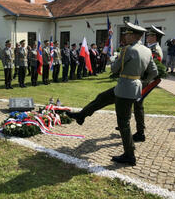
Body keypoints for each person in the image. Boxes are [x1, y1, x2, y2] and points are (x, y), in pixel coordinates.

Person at [67, 22, 158, 165]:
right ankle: (81, 115)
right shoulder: (147, 50)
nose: (125, 36)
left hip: (124, 89)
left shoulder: (127, 50)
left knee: (123, 123)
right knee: (101, 98)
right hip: (132, 87)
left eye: (127, 34)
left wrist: (113, 59)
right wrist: (141, 81)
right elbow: (154, 72)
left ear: (134, 36)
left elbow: (114, 69)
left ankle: (129, 155)